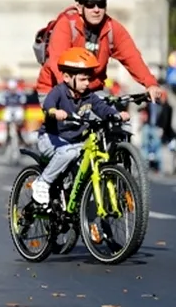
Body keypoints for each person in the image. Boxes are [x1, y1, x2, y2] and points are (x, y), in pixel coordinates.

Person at [36, 0, 164, 103]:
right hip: (55, 89)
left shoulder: (112, 28)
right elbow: (57, 63)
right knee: (70, 122)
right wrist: (73, 92)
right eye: (90, 4)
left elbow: (132, 57)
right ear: (80, 8)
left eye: (101, 4)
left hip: (92, 91)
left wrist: (150, 84)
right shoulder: (66, 25)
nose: (96, 9)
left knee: (115, 120)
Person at [31, 47, 130, 205]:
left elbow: (102, 108)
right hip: (51, 139)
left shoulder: (88, 96)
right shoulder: (59, 92)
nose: (87, 83)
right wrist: (54, 112)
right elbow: (48, 104)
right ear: (66, 77)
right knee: (68, 153)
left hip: (74, 142)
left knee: (87, 160)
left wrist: (116, 115)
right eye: (83, 79)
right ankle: (43, 182)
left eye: (88, 79)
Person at [2, 79, 29, 147]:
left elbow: (23, 102)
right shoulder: (6, 94)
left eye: (13, 89)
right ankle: (7, 137)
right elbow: (2, 102)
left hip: (17, 108)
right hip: (9, 108)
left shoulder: (20, 93)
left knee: (19, 122)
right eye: (11, 89)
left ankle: (20, 136)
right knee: (6, 118)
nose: (12, 90)